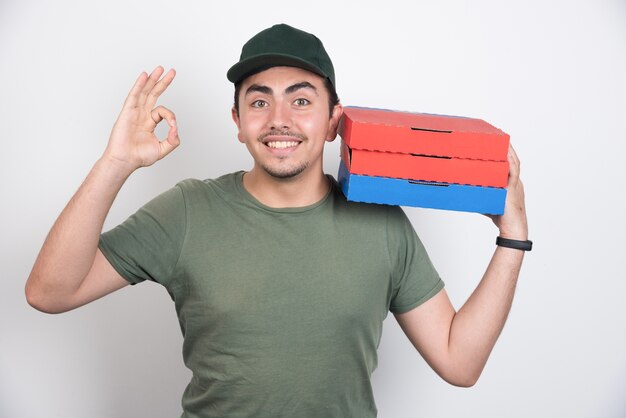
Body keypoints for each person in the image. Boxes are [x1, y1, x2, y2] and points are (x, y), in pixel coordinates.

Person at [25, 23, 530, 418]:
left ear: (335, 121)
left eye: (302, 100)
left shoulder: (382, 224)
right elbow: (50, 292)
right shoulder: (186, 211)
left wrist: (513, 237)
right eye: (260, 100)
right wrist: (115, 163)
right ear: (238, 122)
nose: (279, 119)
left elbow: (459, 362)